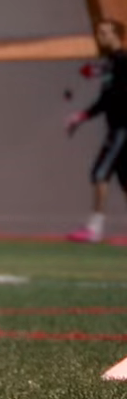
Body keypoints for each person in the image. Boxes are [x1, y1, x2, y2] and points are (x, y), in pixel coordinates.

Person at [65, 18, 127, 244]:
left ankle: (95, 228)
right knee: (124, 179)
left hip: (122, 127)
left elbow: (116, 97)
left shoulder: (121, 61)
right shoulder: (110, 63)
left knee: (99, 173)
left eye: (105, 32)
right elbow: (105, 99)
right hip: (117, 125)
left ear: (117, 35)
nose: (100, 36)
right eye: (99, 32)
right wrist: (82, 116)